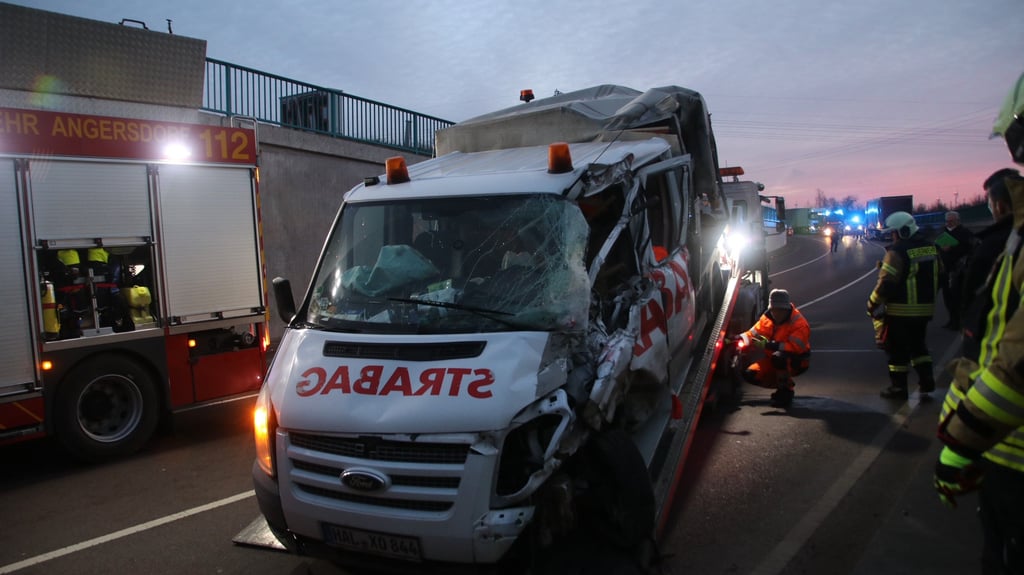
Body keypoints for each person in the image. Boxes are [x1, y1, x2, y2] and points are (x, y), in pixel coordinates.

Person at [933, 71, 1024, 574]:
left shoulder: (1001, 242)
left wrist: (958, 444)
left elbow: (1011, 363)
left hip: (1011, 452)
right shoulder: (1006, 241)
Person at [866, 211, 939, 400]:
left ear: (903, 231)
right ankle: (926, 380)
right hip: (925, 309)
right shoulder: (931, 248)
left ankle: (898, 388)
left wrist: (872, 303)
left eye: (894, 233)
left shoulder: (897, 252)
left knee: (896, 350)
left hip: (901, 310)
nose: (892, 236)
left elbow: (887, 283)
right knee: (919, 346)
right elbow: (941, 275)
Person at [960, 168, 1021, 361]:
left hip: (998, 350)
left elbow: (972, 293)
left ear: (1000, 206)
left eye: (990, 205)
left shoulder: (994, 244)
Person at [730, 289, 811, 408]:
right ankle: (780, 384)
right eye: (775, 310)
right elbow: (754, 334)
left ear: (787, 309)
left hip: (797, 361)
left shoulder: (799, 323)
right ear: (771, 308)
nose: (777, 313)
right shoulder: (767, 318)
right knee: (750, 374)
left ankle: (786, 391)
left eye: (781, 310)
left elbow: (796, 348)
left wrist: (773, 345)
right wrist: (740, 338)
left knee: (779, 357)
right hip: (773, 359)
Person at [935, 210, 976, 330]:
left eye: (951, 221)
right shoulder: (943, 233)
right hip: (945, 271)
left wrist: (952, 248)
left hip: (959, 272)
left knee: (958, 299)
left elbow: (970, 249)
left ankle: (960, 322)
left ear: (958, 221)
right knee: (947, 298)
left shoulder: (965, 233)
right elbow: (936, 247)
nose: (948, 223)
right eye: (947, 221)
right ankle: (952, 320)